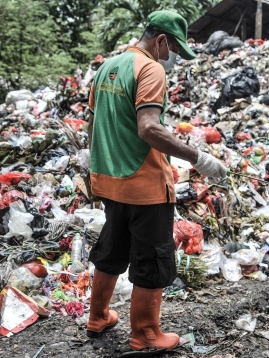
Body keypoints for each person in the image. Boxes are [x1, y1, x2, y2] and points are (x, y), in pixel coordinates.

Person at [85, 10, 227, 354]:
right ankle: (146, 336)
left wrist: (94, 163)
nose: (172, 57)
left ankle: (98, 317)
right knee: (152, 258)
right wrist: (199, 158)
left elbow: (92, 123)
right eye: (173, 49)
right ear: (161, 40)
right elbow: (148, 127)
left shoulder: (108, 66)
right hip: (144, 186)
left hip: (109, 180)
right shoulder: (150, 68)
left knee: (112, 249)